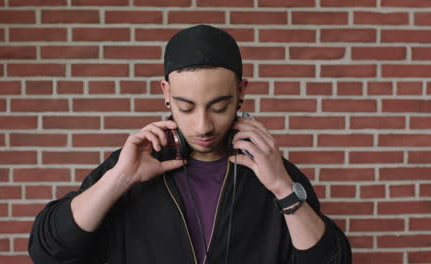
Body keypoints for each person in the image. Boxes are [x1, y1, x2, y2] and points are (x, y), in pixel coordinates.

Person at [28, 24, 351, 264]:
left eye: (219, 106)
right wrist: (119, 179)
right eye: (186, 107)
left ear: (241, 92)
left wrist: (282, 188)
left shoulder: (274, 171)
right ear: (166, 93)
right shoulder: (129, 166)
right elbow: (49, 251)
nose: (203, 126)